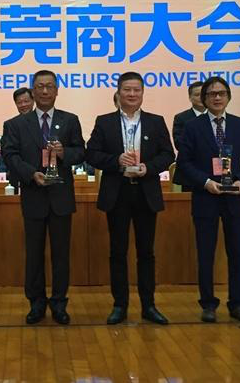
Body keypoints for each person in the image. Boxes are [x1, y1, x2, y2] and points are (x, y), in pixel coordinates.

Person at [86, 72, 174, 325]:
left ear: (142, 93)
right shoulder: (105, 122)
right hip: (118, 193)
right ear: (118, 92)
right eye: (127, 89)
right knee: (118, 251)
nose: (132, 94)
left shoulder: (156, 122)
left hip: (146, 192)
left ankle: (149, 305)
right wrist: (116, 161)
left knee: (146, 252)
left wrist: (149, 167)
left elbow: (168, 154)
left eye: (137, 90)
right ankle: (119, 305)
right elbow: (92, 154)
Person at [1, 70, 85, 325]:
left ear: (57, 90)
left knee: (61, 254)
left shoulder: (70, 120)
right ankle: (36, 303)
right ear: (33, 91)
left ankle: (59, 303)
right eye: (40, 87)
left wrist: (63, 153)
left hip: (61, 197)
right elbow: (10, 155)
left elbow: (81, 152)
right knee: (34, 254)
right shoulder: (16, 124)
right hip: (33, 195)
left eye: (50, 86)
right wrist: (31, 174)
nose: (45, 91)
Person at [177, 75, 240, 324]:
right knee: (205, 254)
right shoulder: (193, 127)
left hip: (235, 198)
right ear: (204, 99)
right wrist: (205, 182)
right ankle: (208, 304)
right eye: (211, 94)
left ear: (228, 97)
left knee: (236, 254)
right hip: (206, 198)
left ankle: (238, 303)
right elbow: (184, 163)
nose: (217, 97)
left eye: (221, 93)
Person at [171, 82, 206, 190]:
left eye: (203, 94)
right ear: (190, 97)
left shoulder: (216, 117)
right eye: (197, 95)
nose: (201, 97)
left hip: (213, 171)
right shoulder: (181, 118)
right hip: (189, 172)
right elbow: (179, 144)